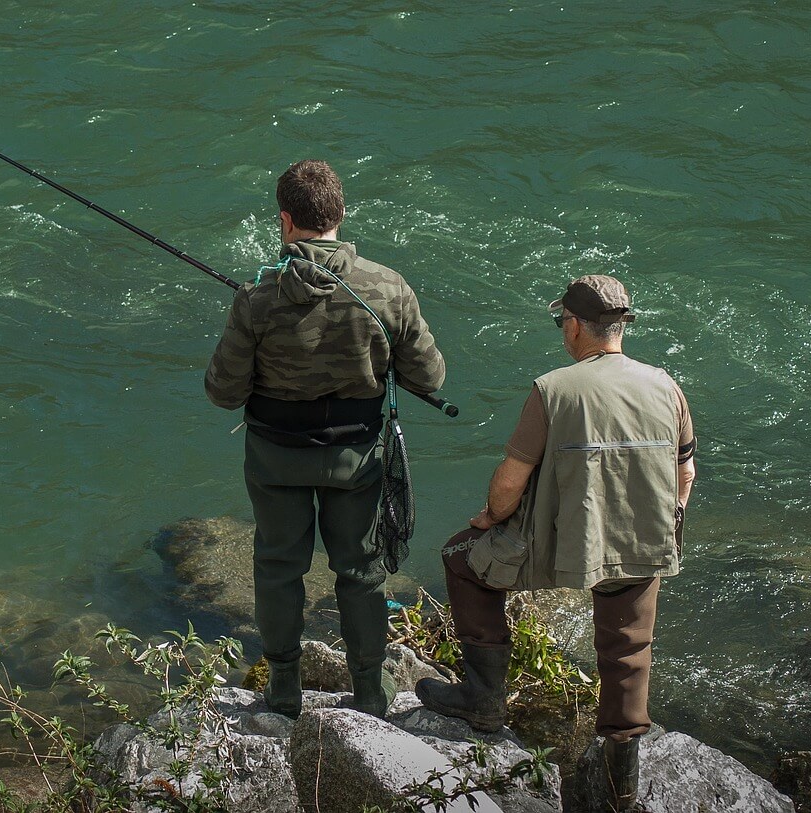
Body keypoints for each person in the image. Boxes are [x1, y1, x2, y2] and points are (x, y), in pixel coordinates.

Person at [415, 275, 695, 811]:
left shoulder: (554, 389)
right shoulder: (666, 385)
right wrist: (665, 523)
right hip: (639, 543)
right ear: (620, 327)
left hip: (559, 547)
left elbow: (510, 483)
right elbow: (685, 475)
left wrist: (491, 518)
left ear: (573, 325)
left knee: (460, 558)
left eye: (560, 321)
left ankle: (483, 701)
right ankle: (621, 781)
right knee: (628, 649)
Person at [205, 159, 446, 719]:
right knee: (361, 572)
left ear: (286, 220)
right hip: (357, 458)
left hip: (276, 457)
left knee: (277, 566)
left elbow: (222, 391)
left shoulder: (256, 297)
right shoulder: (389, 288)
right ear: (340, 215)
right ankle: (368, 693)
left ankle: (284, 689)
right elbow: (429, 378)